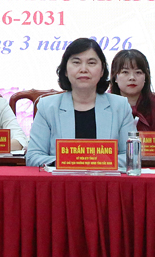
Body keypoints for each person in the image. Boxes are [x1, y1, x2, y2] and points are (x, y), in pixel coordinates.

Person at [26, 38, 136, 168]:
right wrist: (72, 162)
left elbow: (132, 156)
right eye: (76, 62)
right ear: (65, 70)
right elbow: (33, 157)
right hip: (62, 179)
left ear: (102, 71)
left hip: (105, 179)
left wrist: (90, 162)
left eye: (91, 63)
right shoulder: (47, 107)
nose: (83, 69)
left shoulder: (120, 106)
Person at [109, 49, 155, 155]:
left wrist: (133, 148)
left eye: (138, 72)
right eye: (125, 72)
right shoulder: (104, 104)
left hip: (152, 162)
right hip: (114, 163)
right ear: (115, 77)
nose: (132, 78)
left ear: (146, 77)